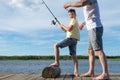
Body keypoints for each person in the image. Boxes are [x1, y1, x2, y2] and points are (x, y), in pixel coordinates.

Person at [64, 0, 109, 80]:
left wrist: (69, 4)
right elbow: (91, 14)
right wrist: (83, 23)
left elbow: (81, 3)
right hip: (90, 28)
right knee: (90, 51)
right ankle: (91, 72)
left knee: (98, 50)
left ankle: (105, 74)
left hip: (95, 27)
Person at [50, 9, 80, 77]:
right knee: (74, 57)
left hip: (70, 39)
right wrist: (61, 27)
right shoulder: (74, 21)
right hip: (74, 40)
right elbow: (67, 30)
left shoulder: (73, 20)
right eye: (69, 14)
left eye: (72, 14)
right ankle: (76, 72)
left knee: (56, 46)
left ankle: (56, 62)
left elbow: (68, 29)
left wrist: (63, 25)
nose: (71, 15)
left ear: (75, 14)